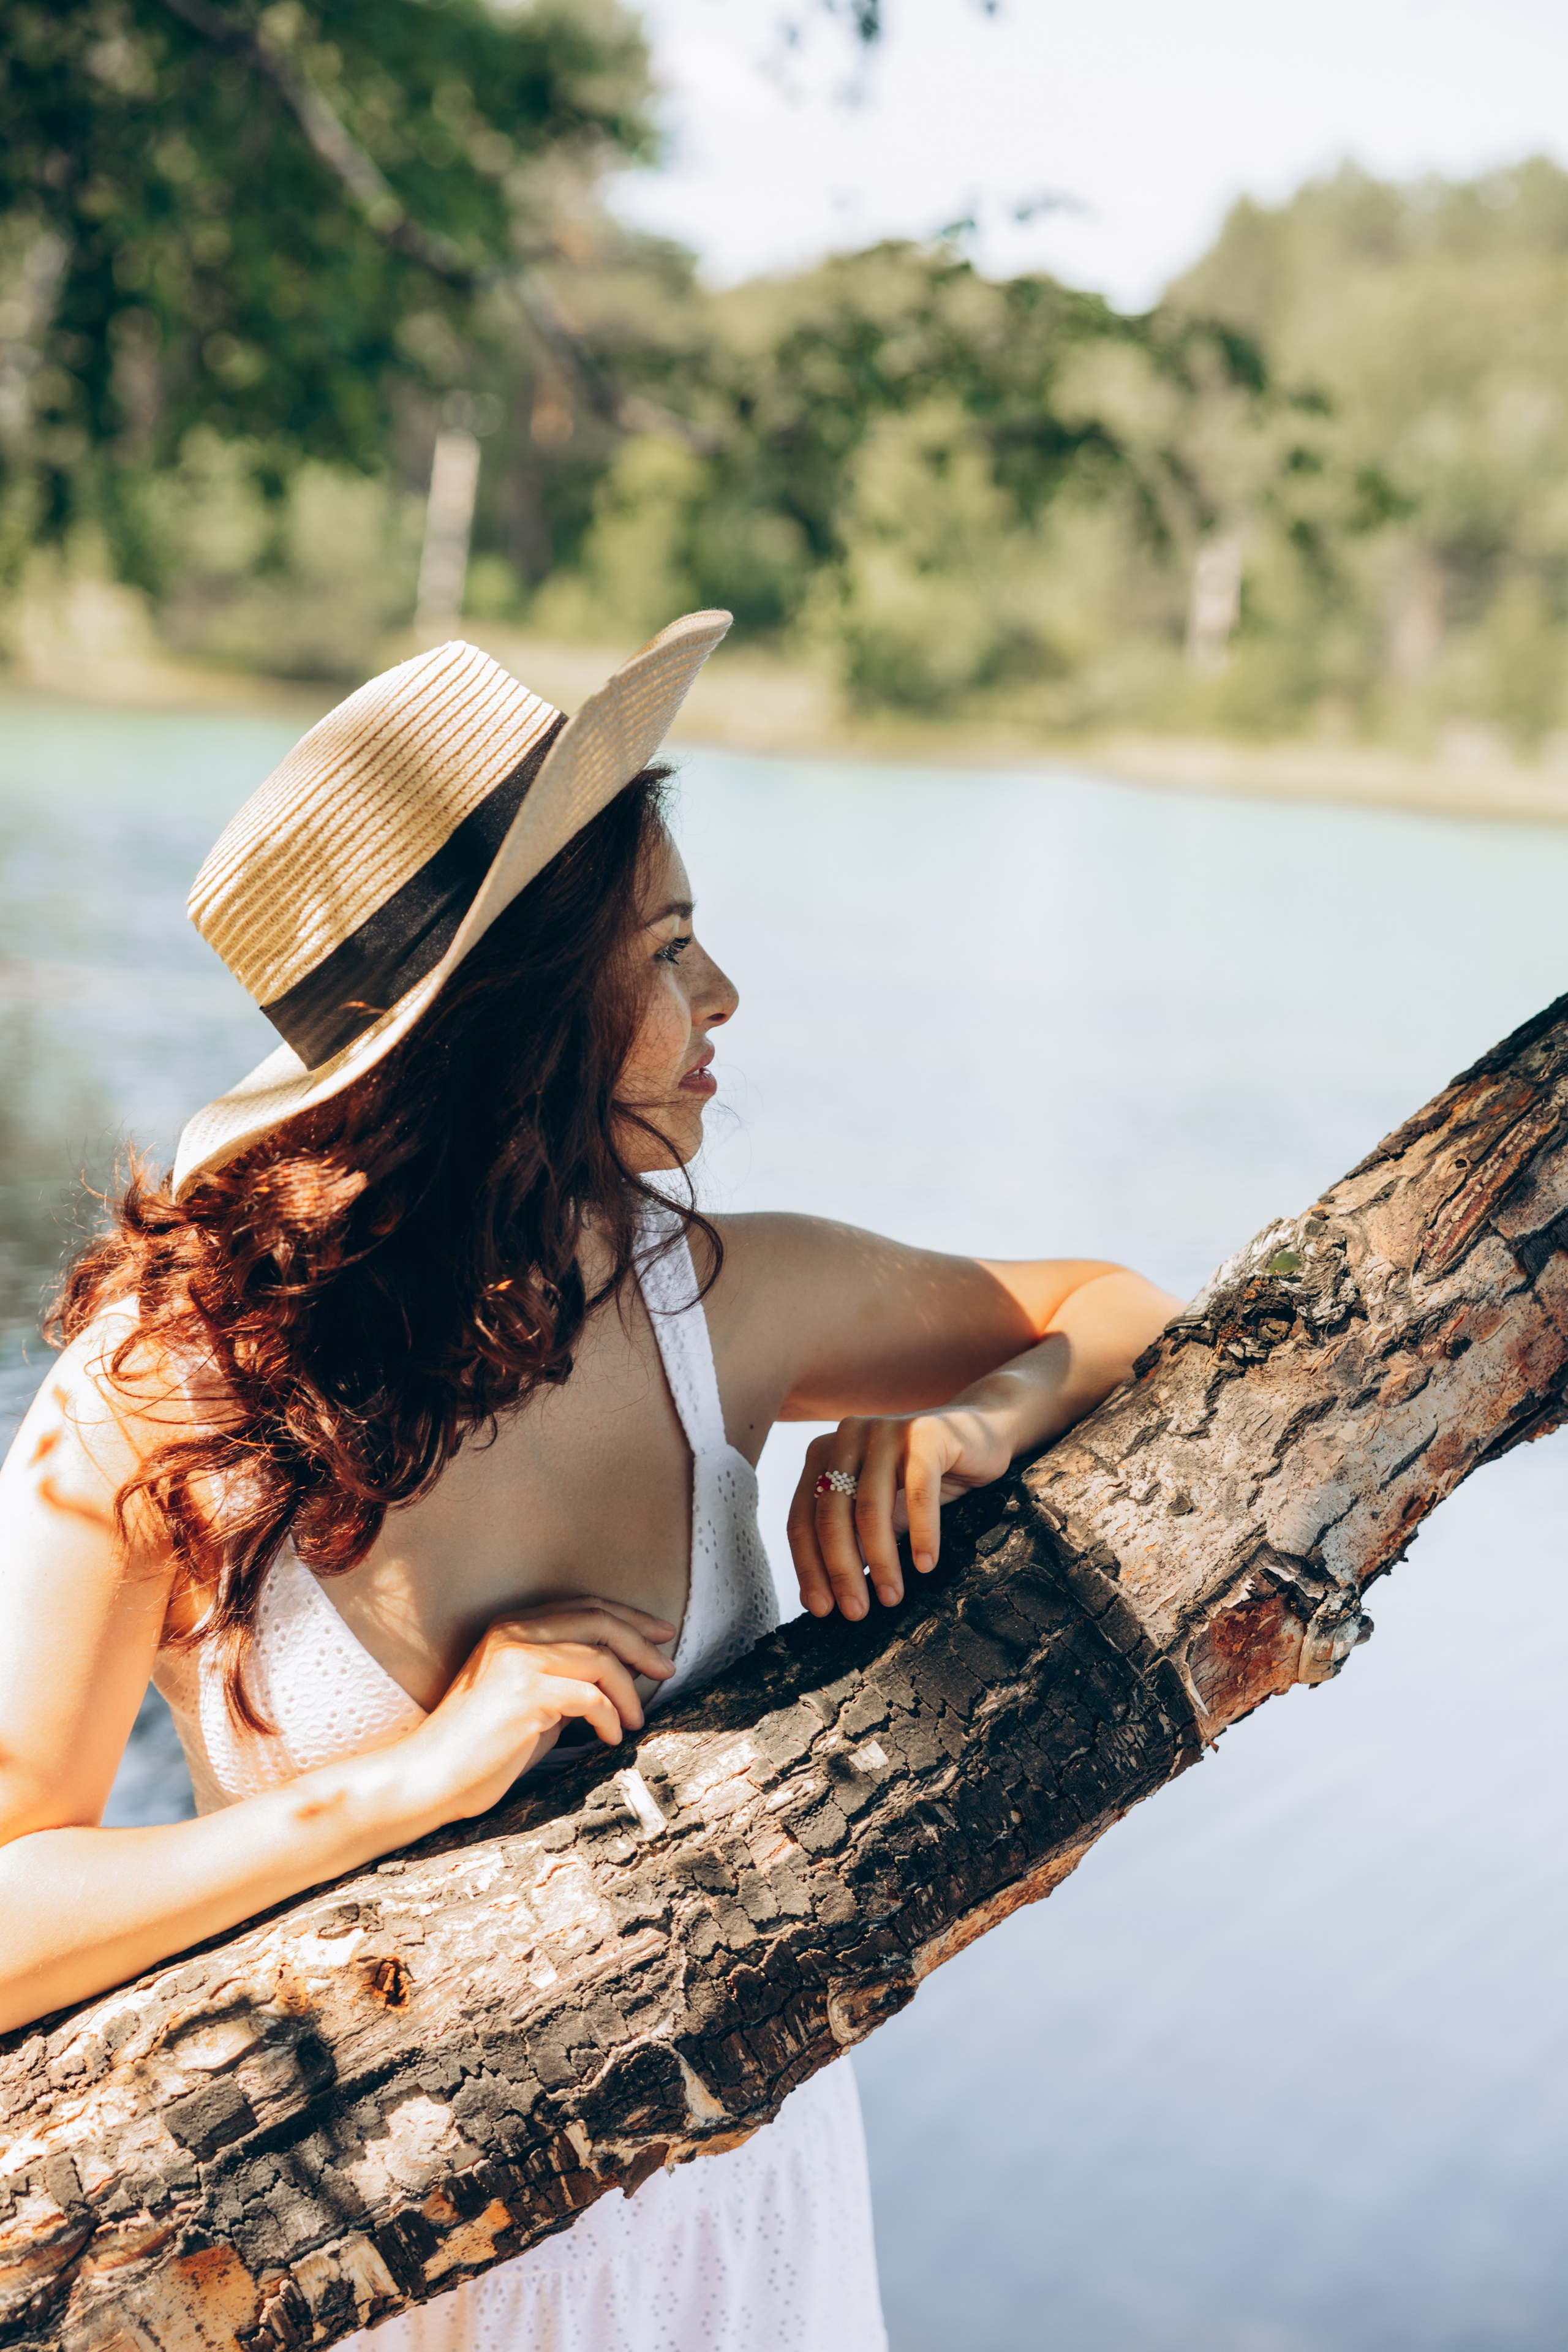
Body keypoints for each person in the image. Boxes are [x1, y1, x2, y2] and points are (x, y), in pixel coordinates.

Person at [0, 612, 1181, 2351]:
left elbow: (1122, 1311)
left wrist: (965, 1429)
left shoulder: (716, 1295)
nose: (723, 1000)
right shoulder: (172, 1389)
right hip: (393, 2279)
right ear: (519, 1014)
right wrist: (405, 1785)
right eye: (674, 949)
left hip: (751, 2264)